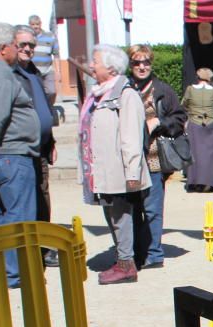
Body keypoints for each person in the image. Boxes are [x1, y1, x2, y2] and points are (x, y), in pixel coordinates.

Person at [77, 44, 150, 285]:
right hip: (103, 169)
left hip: (120, 170)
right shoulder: (100, 93)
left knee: (121, 216)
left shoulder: (125, 95)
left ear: (109, 67)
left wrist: (132, 173)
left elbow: (131, 137)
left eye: (94, 61)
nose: (91, 65)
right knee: (112, 214)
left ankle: (126, 264)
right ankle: (122, 259)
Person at [0, 22, 39, 289]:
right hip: (11, 154)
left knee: (1, 215)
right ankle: (14, 275)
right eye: (15, 45)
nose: (18, 49)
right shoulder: (2, 74)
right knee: (18, 217)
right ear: (4, 49)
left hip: (1, 155)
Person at [127, 44, 187, 270]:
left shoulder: (163, 90)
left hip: (153, 160)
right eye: (136, 62)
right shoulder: (125, 88)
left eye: (146, 62)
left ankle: (154, 253)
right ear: (130, 64)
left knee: (152, 209)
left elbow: (180, 117)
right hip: (130, 161)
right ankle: (135, 252)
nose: (142, 67)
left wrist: (159, 123)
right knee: (132, 210)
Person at [14, 24, 58, 267]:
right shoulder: (9, 73)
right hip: (20, 149)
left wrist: (50, 139)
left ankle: (43, 246)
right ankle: (25, 252)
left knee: (42, 197)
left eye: (31, 45)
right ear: (12, 45)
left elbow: (44, 107)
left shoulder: (33, 71)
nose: (28, 49)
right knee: (23, 200)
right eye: (23, 44)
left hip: (40, 147)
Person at [182, 68, 213, 193]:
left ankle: (194, 182)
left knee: (194, 153)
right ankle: (209, 182)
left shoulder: (190, 89)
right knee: (210, 154)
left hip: (194, 123)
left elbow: (184, 104)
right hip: (210, 124)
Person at [28, 15, 59, 106]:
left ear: (41, 24)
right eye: (33, 24)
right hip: (32, 71)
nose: (35, 26)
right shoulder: (28, 37)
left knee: (52, 92)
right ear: (29, 25)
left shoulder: (50, 36)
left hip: (47, 70)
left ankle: (49, 107)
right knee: (34, 94)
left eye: (37, 24)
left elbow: (56, 54)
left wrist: (58, 71)